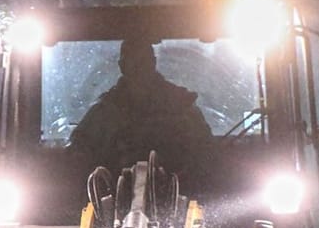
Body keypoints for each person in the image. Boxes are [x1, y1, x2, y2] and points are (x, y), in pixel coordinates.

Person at [68, 38, 213, 173]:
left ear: (153, 63)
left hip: (181, 192)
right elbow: (78, 153)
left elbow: (206, 153)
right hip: (116, 195)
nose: (139, 67)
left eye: (143, 61)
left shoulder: (182, 106)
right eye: (133, 62)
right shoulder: (104, 113)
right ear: (122, 66)